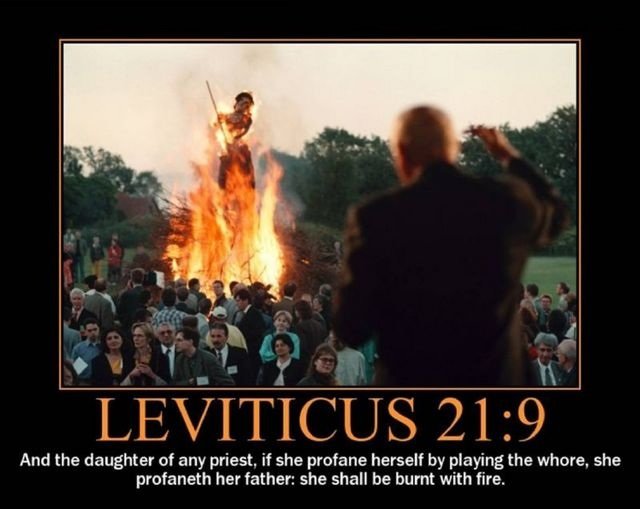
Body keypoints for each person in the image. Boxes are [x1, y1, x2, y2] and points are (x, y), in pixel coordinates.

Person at [333, 105, 569, 387]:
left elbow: (351, 327)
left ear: (402, 152)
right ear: (453, 149)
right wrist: (507, 155)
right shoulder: (503, 202)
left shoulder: (375, 217)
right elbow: (557, 213)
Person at [217, 91, 255, 189]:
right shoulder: (226, 116)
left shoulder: (247, 119)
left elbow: (243, 132)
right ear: (237, 103)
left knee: (247, 176)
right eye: (243, 102)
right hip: (227, 150)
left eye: (248, 104)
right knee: (223, 177)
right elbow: (216, 126)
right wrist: (219, 121)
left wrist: (234, 139)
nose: (245, 106)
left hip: (240, 150)